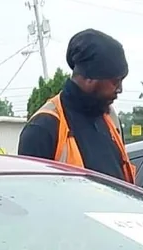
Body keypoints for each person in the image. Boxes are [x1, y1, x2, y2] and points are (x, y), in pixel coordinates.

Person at [17, 30, 134, 181]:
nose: (120, 89)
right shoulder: (43, 128)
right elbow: (31, 192)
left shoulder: (110, 119)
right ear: (90, 77)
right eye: (115, 81)